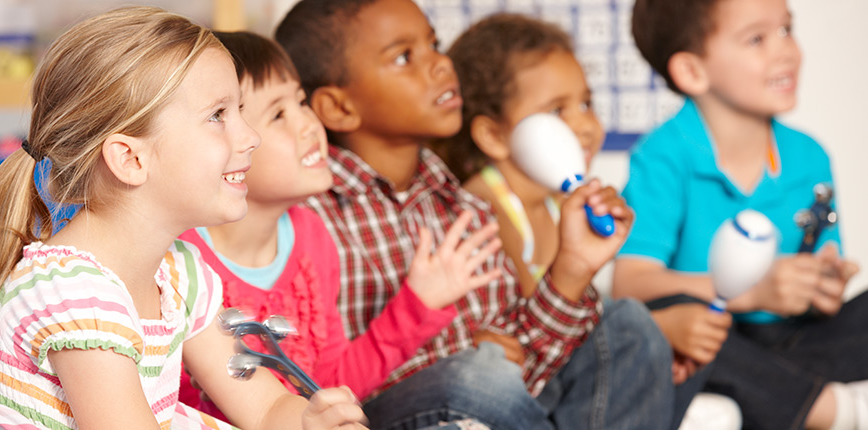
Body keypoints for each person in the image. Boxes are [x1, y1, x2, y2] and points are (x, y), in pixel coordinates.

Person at [276, 1, 675, 428]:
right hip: (384, 415)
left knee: (627, 325)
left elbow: (523, 369)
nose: (440, 65)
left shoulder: (464, 208)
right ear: (339, 108)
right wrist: (469, 359)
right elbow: (315, 383)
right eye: (405, 56)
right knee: (478, 375)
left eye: (434, 44)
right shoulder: (308, 215)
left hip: (491, 406)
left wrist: (573, 267)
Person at [0, 7, 366, 430]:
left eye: (239, 110)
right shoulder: (72, 294)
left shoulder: (179, 274)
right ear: (130, 158)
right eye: (219, 116)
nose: (250, 137)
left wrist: (310, 421)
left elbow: (265, 408)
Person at [178, 30, 502, 425]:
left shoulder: (311, 235)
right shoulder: (181, 253)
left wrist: (418, 304)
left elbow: (328, 385)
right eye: (279, 114)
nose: (309, 124)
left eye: (300, 102)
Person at [430, 12, 723, 429]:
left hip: (558, 379)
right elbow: (547, 326)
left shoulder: (555, 205)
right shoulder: (484, 205)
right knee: (637, 325)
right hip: (519, 389)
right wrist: (654, 329)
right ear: (494, 136)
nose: (584, 125)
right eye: (557, 110)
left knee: (681, 332)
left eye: (586, 103)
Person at [613, 0, 868, 428]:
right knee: (659, 325)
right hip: (714, 343)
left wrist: (823, 286)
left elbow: (823, 274)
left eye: (787, 30)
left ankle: (783, 398)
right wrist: (752, 293)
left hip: (790, 345)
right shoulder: (662, 157)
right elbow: (629, 284)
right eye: (757, 39)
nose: (787, 51)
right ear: (693, 71)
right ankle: (833, 411)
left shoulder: (809, 156)